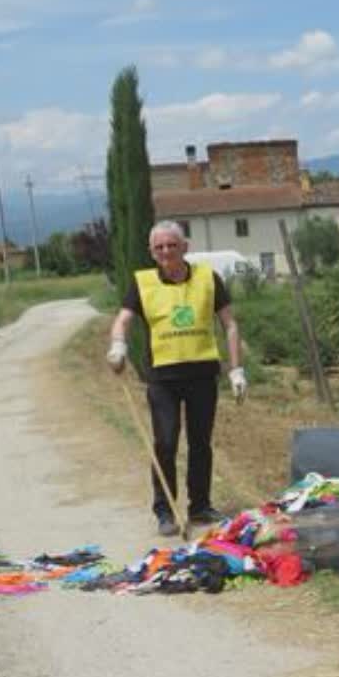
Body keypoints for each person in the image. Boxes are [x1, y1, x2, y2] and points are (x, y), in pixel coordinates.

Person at [106, 221, 246, 535]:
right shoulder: (142, 283)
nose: (166, 251)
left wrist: (237, 369)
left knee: (200, 443)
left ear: (185, 246)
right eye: (159, 247)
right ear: (152, 252)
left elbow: (230, 325)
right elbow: (123, 320)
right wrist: (117, 346)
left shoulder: (208, 279)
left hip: (202, 374)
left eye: (172, 245)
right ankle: (164, 511)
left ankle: (200, 507)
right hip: (162, 378)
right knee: (165, 442)